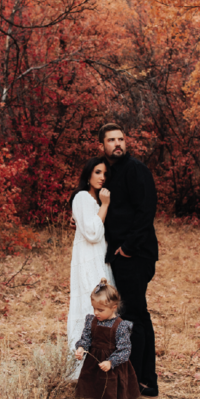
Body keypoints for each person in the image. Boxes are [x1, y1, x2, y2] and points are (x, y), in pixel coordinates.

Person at [99, 123, 159, 399]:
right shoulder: (108, 174)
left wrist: (127, 248)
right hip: (122, 256)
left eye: (121, 138)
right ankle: (147, 381)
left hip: (136, 254)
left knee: (134, 317)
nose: (117, 143)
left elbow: (146, 210)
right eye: (111, 140)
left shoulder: (135, 169)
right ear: (103, 145)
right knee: (136, 315)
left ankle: (135, 386)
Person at [75, 279, 139, 399]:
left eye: (100, 310)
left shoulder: (120, 326)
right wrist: (81, 348)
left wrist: (111, 362)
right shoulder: (91, 321)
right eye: (94, 308)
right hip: (96, 369)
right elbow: (86, 339)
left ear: (114, 307)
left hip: (113, 370)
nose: (96, 313)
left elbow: (125, 350)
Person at [67, 157, 115, 380]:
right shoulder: (82, 197)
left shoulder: (94, 201)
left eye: (104, 173)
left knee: (105, 311)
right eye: (97, 172)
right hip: (88, 262)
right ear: (88, 175)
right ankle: (85, 374)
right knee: (91, 311)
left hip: (99, 260)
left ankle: (103, 371)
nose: (102, 177)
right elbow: (93, 233)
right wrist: (105, 206)